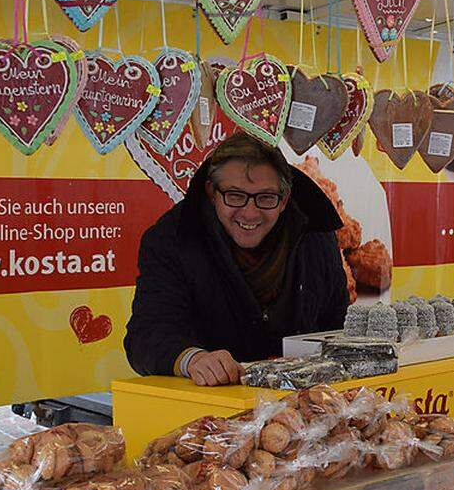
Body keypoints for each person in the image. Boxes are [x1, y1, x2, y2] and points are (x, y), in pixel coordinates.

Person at [125, 132, 349, 385]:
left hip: (303, 405)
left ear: (284, 199)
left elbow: (337, 325)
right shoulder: (172, 239)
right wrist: (193, 359)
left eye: (265, 197)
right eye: (235, 196)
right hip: (209, 407)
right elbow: (146, 335)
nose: (250, 212)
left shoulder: (316, 235)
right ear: (212, 193)